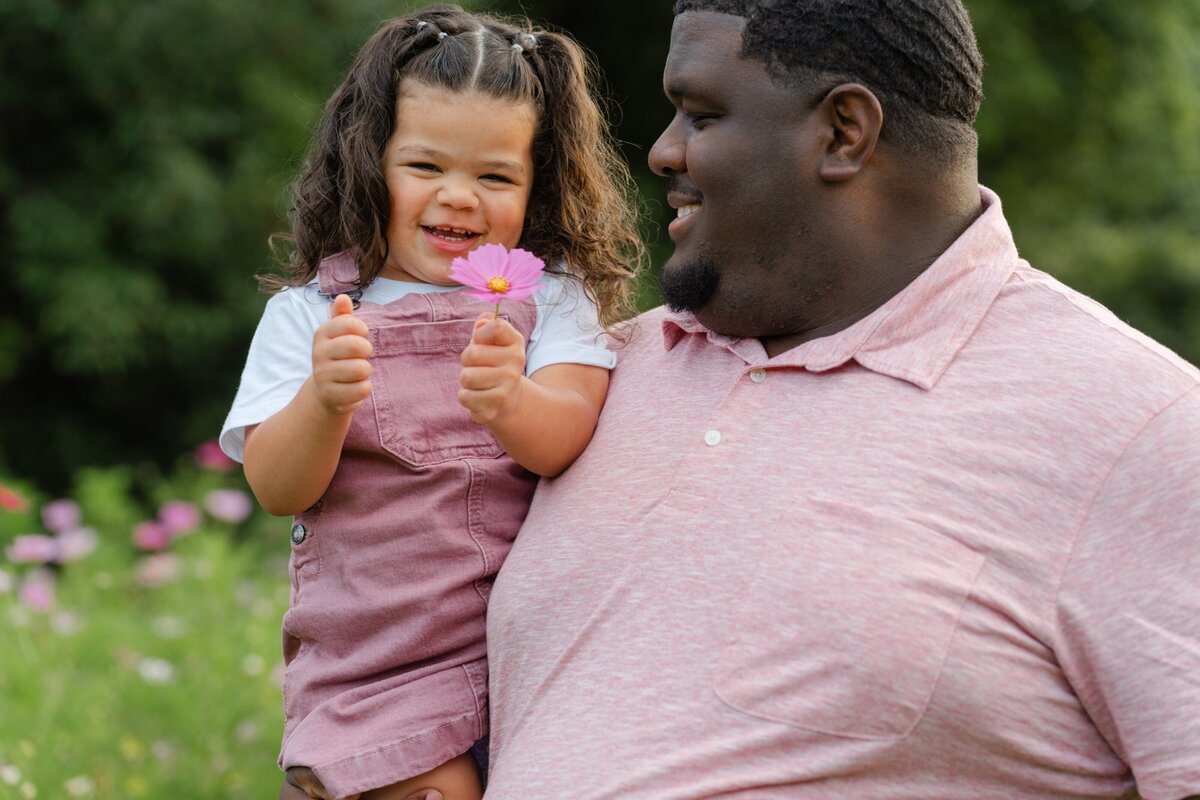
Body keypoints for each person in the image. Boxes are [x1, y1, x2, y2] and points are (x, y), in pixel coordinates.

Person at [483, 1, 1200, 798]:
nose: (662, 151)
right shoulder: (586, 382)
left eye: (701, 113)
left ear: (843, 132)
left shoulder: (1142, 427)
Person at [218, 5, 643, 799]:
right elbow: (278, 488)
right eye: (424, 167)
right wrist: (324, 401)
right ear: (370, 161)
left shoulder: (551, 301)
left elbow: (566, 437)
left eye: (495, 176)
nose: (460, 199)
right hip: (378, 667)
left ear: (537, 182)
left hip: (528, 659)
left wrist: (510, 400)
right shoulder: (312, 313)